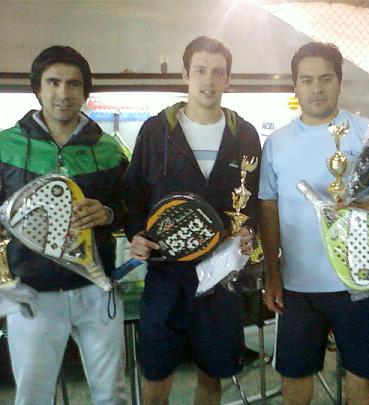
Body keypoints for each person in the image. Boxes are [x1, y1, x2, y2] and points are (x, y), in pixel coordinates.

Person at [259, 42, 369, 405]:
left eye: (325, 78)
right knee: (295, 377)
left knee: (361, 377)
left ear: (340, 82)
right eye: (307, 80)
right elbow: (268, 207)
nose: (317, 88)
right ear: (295, 86)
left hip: (362, 280)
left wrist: (363, 210)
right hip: (298, 285)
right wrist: (273, 273)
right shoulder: (277, 143)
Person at [125, 36, 260, 405]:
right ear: (185, 74)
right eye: (200, 70)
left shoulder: (244, 134)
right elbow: (132, 197)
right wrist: (136, 234)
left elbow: (255, 201)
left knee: (212, 374)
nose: (209, 80)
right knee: (156, 373)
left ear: (228, 78)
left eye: (218, 72)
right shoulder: (156, 131)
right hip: (165, 275)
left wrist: (249, 232)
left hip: (220, 275)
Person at [2, 46, 129, 405]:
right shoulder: (6, 145)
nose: (63, 92)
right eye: (53, 82)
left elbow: (131, 209)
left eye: (74, 84)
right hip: (32, 294)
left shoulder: (109, 149)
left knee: (111, 396)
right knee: (33, 397)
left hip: (97, 290)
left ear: (85, 92)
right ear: (37, 88)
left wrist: (108, 213)